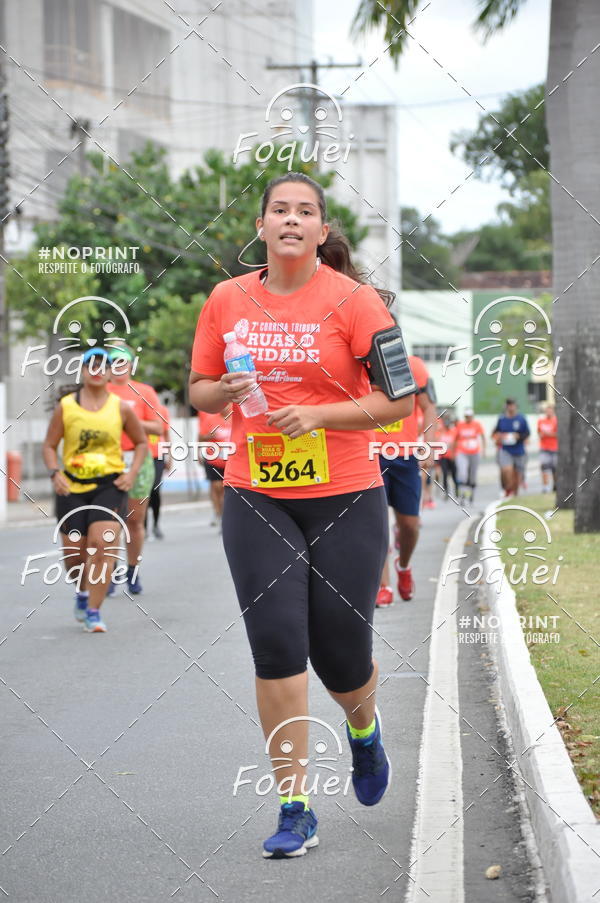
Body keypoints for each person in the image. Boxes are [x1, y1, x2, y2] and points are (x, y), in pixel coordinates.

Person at [190, 172, 413, 859]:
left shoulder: (357, 300)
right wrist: (222, 387)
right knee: (279, 643)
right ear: (260, 227)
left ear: (322, 231)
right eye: (279, 209)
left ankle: (364, 726)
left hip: (345, 491)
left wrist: (316, 412)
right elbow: (198, 389)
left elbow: (399, 400)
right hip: (257, 492)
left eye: (305, 211)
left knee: (341, 654)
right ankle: (295, 804)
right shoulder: (228, 299)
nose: (291, 218)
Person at [42, 347, 147, 632]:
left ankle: (93, 610)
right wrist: (54, 473)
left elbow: (141, 443)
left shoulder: (121, 407)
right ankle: (82, 591)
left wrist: (131, 473)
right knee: (75, 556)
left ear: (110, 373)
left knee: (102, 546)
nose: (98, 371)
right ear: (83, 371)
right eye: (92, 366)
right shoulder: (67, 406)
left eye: (104, 366)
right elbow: (49, 446)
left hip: (109, 486)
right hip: (71, 488)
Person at [375, 354, 437, 607]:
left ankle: (404, 566)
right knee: (377, 524)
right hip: (369, 455)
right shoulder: (358, 366)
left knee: (409, 525)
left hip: (405, 455)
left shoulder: (413, 366)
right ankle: (384, 586)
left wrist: (430, 446)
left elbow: (429, 406)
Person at [107, 346, 162, 593]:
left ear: (131, 365)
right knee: (107, 521)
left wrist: (127, 419)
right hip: (106, 462)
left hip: (138, 461)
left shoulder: (144, 391)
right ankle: (106, 573)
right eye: (113, 361)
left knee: (134, 520)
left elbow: (158, 428)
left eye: (123, 361)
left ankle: (132, 570)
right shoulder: (99, 390)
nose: (118, 366)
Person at [197, 404, 232, 527]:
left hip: (231, 460)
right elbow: (200, 437)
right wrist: (210, 436)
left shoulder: (235, 417)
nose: (224, 407)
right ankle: (218, 513)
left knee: (226, 489)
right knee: (216, 487)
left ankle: (225, 513)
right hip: (213, 459)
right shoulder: (211, 419)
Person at [491, 398, 530, 497]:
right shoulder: (502, 419)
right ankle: (507, 488)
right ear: (506, 406)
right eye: (509, 405)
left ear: (515, 406)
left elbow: (527, 433)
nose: (511, 407)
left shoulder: (521, 419)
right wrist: (498, 437)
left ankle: (514, 493)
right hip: (505, 449)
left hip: (519, 449)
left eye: (512, 405)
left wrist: (519, 436)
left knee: (516, 475)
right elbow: (495, 433)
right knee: (506, 470)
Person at [146, 402, 171, 539]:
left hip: (158, 456)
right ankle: (142, 527)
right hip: (141, 455)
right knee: (142, 493)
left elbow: (166, 434)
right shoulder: (138, 408)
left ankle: (156, 524)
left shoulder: (162, 410)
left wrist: (170, 457)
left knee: (155, 490)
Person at [453, 407, 486, 505]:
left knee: (472, 475)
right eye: (466, 417)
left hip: (474, 453)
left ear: (472, 416)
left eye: (470, 416)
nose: (468, 418)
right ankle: (462, 495)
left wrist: (484, 450)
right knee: (462, 474)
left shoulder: (477, 424)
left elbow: (483, 437)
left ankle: (471, 495)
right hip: (462, 452)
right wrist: (454, 452)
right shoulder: (460, 425)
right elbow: (455, 439)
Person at [537, 403, 558, 493]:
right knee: (544, 468)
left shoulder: (556, 421)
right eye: (547, 410)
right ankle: (545, 487)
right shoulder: (541, 421)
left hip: (555, 448)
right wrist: (543, 434)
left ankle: (556, 485)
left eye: (550, 410)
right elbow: (539, 432)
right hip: (544, 448)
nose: (549, 412)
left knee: (555, 469)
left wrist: (548, 434)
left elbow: (558, 434)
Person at [437, 417, 457, 500]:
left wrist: (455, 455)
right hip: (443, 457)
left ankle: (457, 490)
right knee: (444, 474)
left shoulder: (454, 431)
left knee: (454, 474)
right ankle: (446, 492)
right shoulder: (440, 432)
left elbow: (456, 443)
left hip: (452, 457)